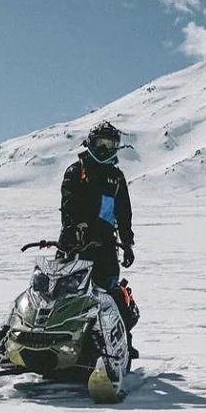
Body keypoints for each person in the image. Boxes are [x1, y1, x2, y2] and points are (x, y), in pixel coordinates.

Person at [59, 121, 139, 357]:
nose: (104, 149)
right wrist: (74, 229)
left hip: (105, 247)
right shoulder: (76, 171)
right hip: (74, 243)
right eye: (100, 144)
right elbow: (68, 204)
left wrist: (127, 243)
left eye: (110, 144)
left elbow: (124, 213)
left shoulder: (116, 177)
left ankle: (122, 342)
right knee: (60, 292)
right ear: (90, 143)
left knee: (111, 295)